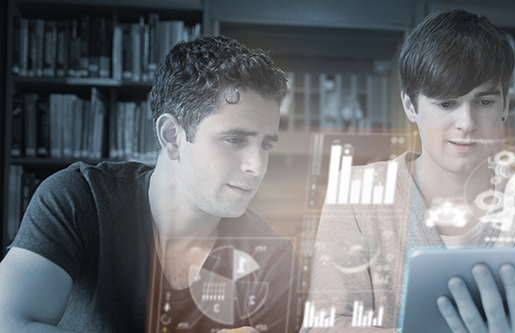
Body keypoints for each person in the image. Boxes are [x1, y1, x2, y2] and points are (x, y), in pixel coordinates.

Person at [0, 36, 301, 333]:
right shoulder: (79, 198)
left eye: (266, 145)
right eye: (234, 140)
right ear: (172, 137)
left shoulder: (274, 259)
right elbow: (11, 323)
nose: (258, 166)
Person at [304, 9, 515, 332]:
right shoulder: (357, 195)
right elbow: (324, 325)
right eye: (446, 104)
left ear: (506, 105)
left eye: (484, 102)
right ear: (410, 106)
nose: (467, 124)